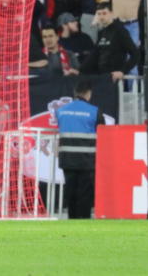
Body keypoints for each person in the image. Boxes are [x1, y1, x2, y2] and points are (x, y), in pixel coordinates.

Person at [55, 79, 105, 219]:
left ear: (75, 92)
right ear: (88, 93)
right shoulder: (94, 111)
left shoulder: (61, 111)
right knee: (85, 193)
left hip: (67, 159)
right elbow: (103, 134)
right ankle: (83, 220)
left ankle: (72, 219)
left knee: (70, 190)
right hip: (87, 160)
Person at [79, 2, 139, 82]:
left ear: (112, 13)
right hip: (101, 76)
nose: (101, 17)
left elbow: (135, 54)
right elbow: (95, 54)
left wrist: (123, 71)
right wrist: (80, 70)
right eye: (99, 14)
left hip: (113, 77)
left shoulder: (120, 31)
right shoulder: (101, 32)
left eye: (104, 13)